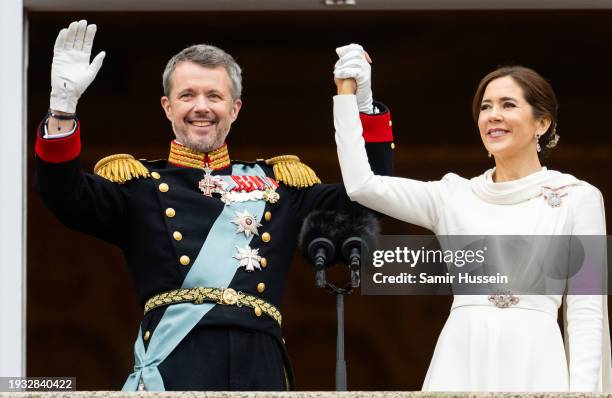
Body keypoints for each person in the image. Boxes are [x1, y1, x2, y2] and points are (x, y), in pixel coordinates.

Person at [34, 21, 394, 391]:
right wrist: (62, 109)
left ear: (235, 108)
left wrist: (363, 107)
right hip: (175, 367)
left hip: (260, 368)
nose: (201, 107)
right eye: (187, 95)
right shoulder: (137, 186)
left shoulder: (281, 185)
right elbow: (64, 196)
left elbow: (371, 200)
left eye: (214, 96)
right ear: (167, 107)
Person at [332, 44, 611, 392]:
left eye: (508, 105)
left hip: (536, 358)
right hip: (462, 355)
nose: (493, 115)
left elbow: (587, 313)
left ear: (542, 122)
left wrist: (584, 392)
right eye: (485, 107)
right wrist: (353, 100)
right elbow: (362, 185)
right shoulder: (453, 196)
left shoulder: (578, 198)